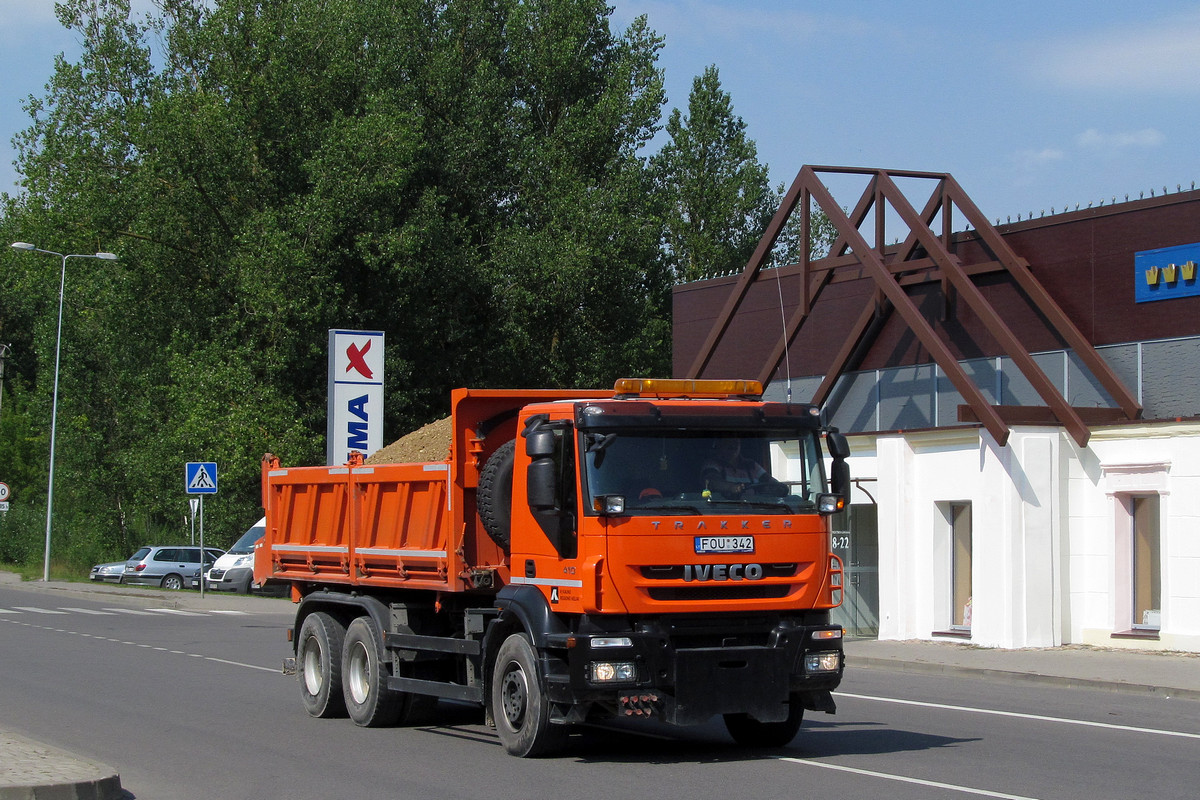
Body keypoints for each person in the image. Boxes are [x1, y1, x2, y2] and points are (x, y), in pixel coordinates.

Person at [702, 437, 778, 498]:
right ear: (719, 445)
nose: (733, 447)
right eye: (728, 444)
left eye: (736, 443)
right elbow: (712, 481)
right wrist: (731, 487)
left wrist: (778, 487)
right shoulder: (712, 464)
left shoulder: (751, 465)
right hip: (723, 510)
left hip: (756, 509)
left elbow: (771, 482)